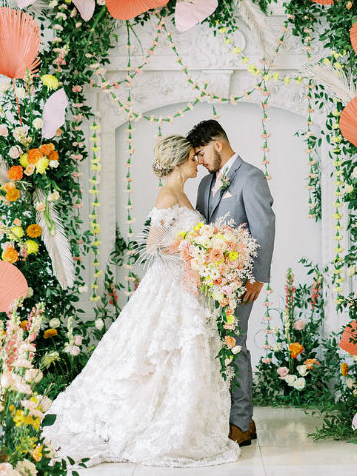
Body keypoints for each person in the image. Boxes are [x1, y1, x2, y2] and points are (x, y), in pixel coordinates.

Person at [41, 135, 239, 468]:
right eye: (192, 157)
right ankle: (146, 422)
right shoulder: (167, 196)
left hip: (186, 286)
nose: (196, 161)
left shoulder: (183, 194)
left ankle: (184, 422)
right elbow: (152, 247)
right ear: (178, 162)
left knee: (185, 353)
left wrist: (205, 255)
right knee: (158, 351)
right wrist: (192, 251)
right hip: (169, 286)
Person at [187, 119, 276, 447]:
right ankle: (241, 419)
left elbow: (263, 227)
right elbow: (200, 231)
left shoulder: (250, 177)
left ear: (217, 144)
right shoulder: (204, 185)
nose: (199, 160)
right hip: (210, 282)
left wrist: (257, 278)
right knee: (217, 346)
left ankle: (239, 421)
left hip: (240, 281)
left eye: (201, 152)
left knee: (233, 344)